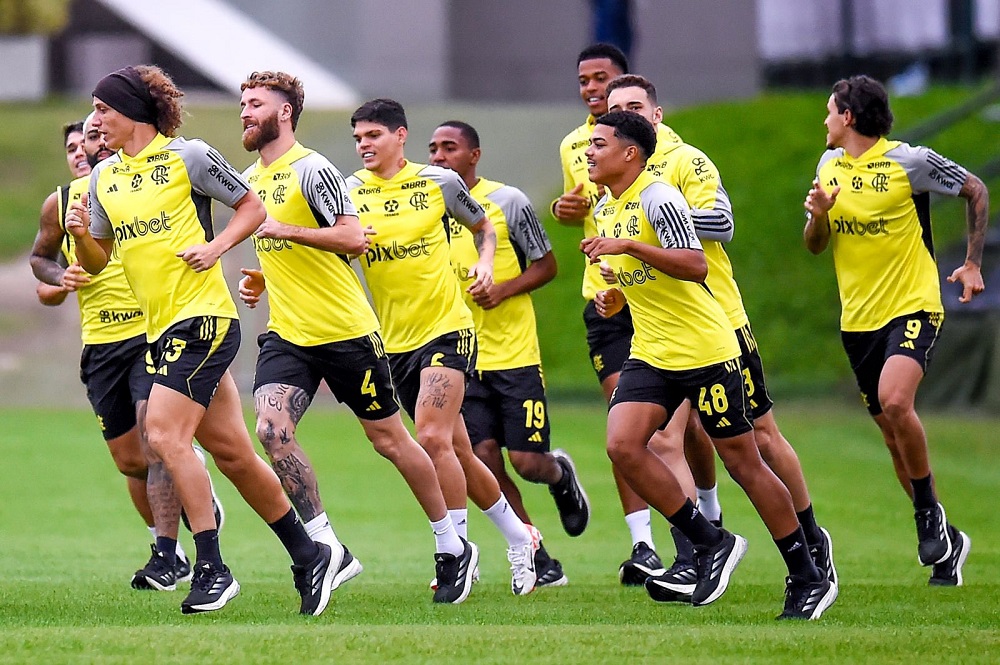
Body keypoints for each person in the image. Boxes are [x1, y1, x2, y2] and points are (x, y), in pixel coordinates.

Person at [66, 65, 337, 616]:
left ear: (132, 112)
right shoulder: (103, 179)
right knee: (234, 454)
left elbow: (252, 208)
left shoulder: (186, 157)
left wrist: (216, 249)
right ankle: (309, 554)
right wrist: (79, 237)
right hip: (161, 326)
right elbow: (99, 258)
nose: (95, 122)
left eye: (103, 109)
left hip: (204, 319)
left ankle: (212, 567)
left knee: (163, 436)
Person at [582, 110, 836, 619]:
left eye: (599, 144)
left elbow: (696, 265)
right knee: (622, 445)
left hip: (704, 349)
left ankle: (807, 575)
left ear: (630, 153)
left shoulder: (659, 197)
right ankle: (709, 541)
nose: (589, 152)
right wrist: (616, 298)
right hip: (652, 351)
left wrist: (631, 245)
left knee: (743, 462)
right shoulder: (609, 206)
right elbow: (644, 280)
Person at [235, 70, 472, 604]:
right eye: (243, 104)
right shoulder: (253, 178)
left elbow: (350, 238)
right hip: (288, 334)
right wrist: (260, 275)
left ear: (285, 113)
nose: (246, 112)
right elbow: (286, 252)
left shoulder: (313, 169)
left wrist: (285, 230)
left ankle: (450, 543)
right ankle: (324, 548)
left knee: (390, 441)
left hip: (346, 333)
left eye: (255, 103)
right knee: (272, 432)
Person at [347, 99, 537, 596]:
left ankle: (456, 551)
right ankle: (520, 536)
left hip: (447, 330)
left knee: (431, 439)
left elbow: (484, 227)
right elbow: (330, 249)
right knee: (457, 449)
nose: (364, 145)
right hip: (395, 342)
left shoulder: (439, 183)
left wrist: (487, 262)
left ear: (400, 136)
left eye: (373, 135)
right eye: (358, 138)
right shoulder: (348, 192)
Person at [803, 74, 988, 586]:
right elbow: (816, 245)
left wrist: (972, 263)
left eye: (829, 110)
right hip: (857, 319)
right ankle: (948, 540)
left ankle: (927, 513)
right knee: (891, 436)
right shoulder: (827, 166)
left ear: (850, 117)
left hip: (913, 304)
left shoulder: (910, 161)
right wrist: (818, 216)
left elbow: (975, 189)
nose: (824, 119)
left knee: (897, 401)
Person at [29, 113, 220, 591]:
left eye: (89, 139)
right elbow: (41, 259)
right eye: (73, 145)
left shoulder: (128, 186)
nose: (81, 150)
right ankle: (172, 536)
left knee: (156, 439)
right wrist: (60, 278)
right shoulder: (63, 202)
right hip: (100, 346)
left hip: (148, 333)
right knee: (130, 460)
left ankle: (166, 553)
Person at [552, 42, 708, 583]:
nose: (593, 89)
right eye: (585, 80)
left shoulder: (676, 160)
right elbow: (591, 214)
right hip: (612, 300)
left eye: (603, 80)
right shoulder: (577, 145)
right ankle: (653, 545)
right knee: (629, 434)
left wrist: (641, 244)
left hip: (685, 314)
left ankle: (714, 536)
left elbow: (704, 242)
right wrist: (567, 211)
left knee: (721, 440)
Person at [429, 120, 591, 587]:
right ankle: (540, 558)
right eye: (433, 149)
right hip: (462, 356)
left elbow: (547, 265)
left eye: (450, 148)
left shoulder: (507, 202)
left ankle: (560, 475)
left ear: (474, 155)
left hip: (515, 355)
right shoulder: (429, 211)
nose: (439, 157)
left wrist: (503, 290)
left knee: (525, 462)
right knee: (483, 463)